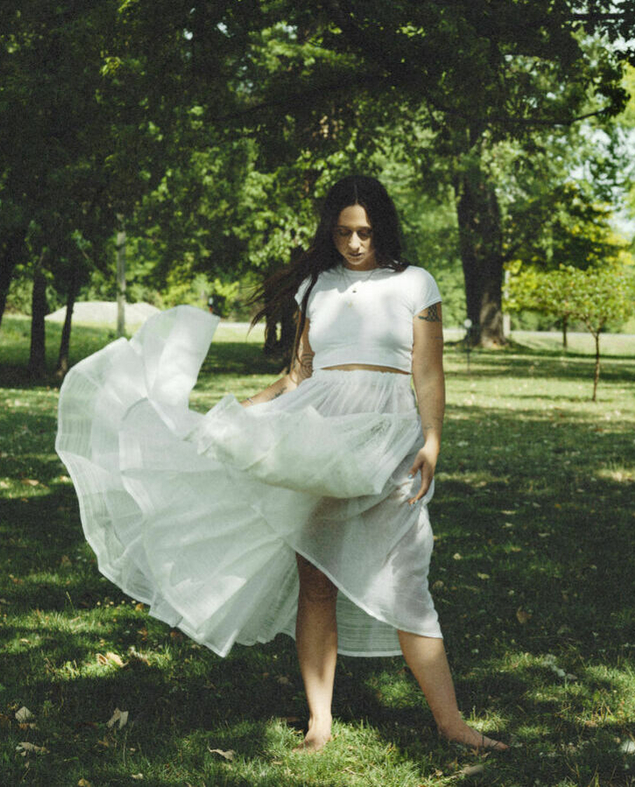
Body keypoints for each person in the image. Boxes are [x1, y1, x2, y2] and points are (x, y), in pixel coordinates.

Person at [55, 174, 505, 754]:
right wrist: (237, 415)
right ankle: (320, 721)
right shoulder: (316, 286)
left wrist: (433, 439)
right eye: (344, 232)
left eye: (366, 232)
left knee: (406, 575)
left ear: (383, 229)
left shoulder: (415, 283)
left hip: (389, 434)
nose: (355, 243)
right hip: (318, 431)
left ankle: (451, 722)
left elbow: (428, 371)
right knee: (314, 579)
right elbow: (298, 374)